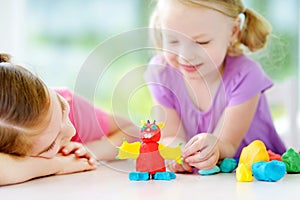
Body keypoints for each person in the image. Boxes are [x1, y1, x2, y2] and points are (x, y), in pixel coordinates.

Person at [145, 0, 286, 173]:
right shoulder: (162, 73)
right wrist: (177, 154)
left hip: (262, 176)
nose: (186, 55)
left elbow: (227, 145)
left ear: (233, 31)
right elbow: (169, 135)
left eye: (202, 42)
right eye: (173, 41)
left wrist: (214, 147)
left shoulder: (246, 75)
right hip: (205, 180)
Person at [0, 53, 138, 185]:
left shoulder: (72, 107)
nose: (71, 131)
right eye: (51, 145)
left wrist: (90, 150)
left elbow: (133, 131)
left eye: (62, 108)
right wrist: (58, 165)